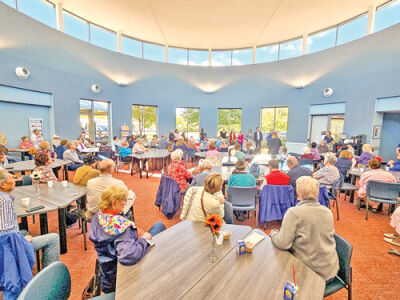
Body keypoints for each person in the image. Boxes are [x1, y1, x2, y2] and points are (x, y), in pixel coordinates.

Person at [89, 185, 165, 294]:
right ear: (114, 203)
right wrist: (144, 239)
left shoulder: (98, 217)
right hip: (122, 275)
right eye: (122, 201)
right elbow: (128, 256)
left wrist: (132, 231)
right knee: (159, 226)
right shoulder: (122, 229)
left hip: (106, 272)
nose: (125, 203)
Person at [270, 176, 339, 281]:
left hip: (309, 274)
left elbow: (283, 244)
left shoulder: (293, 213)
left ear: (298, 193)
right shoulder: (327, 212)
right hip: (330, 270)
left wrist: (274, 232)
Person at [0, 170, 60, 269]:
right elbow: (4, 232)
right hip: (7, 247)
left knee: (23, 231)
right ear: (2, 184)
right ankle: (49, 279)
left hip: (7, 243)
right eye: (12, 178)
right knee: (53, 238)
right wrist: (21, 240)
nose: (15, 181)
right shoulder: (5, 200)